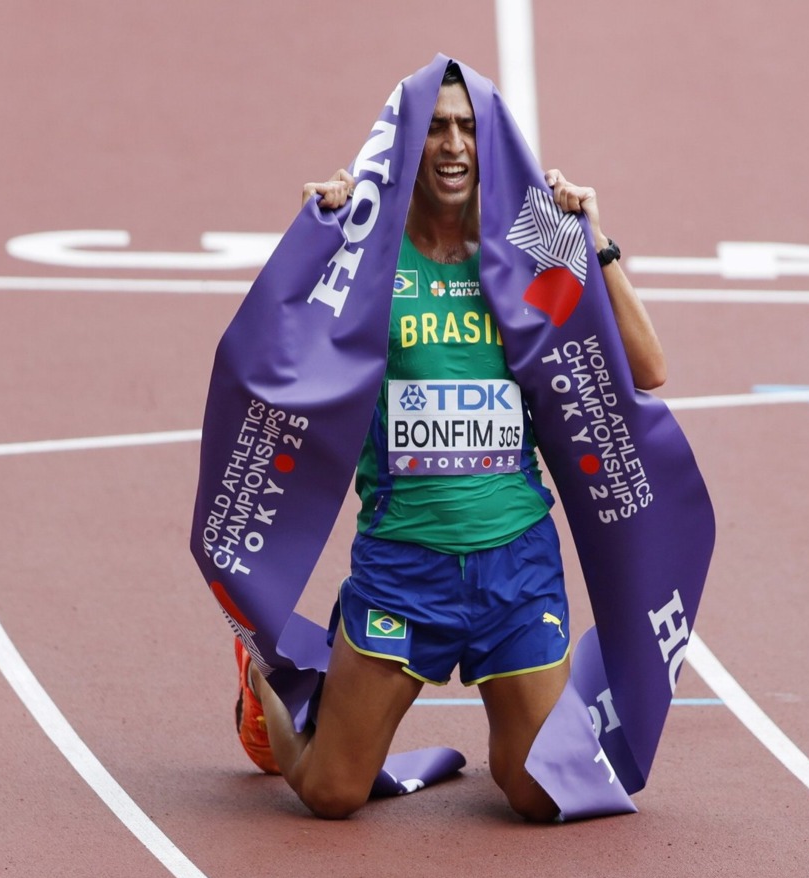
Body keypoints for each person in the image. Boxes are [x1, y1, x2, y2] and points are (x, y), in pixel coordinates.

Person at [236, 62, 666, 822]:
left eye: (468, 127)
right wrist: (313, 242)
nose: (454, 144)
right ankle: (263, 680)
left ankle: (509, 742)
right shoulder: (367, 257)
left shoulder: (526, 257)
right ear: (408, 142)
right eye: (436, 127)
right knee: (331, 794)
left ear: (491, 143)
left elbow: (645, 368)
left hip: (516, 566)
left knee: (539, 795)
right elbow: (278, 361)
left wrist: (594, 242)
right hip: (403, 566)